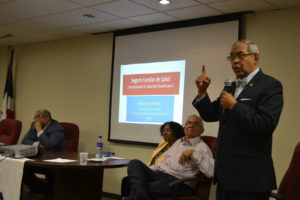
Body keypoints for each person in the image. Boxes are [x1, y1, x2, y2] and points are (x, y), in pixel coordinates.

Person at [193, 40, 284, 200]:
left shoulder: (270, 85)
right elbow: (211, 114)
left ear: (256, 57)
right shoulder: (231, 86)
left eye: (240, 55)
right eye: (232, 57)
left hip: (250, 179)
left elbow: (266, 124)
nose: (235, 61)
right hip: (225, 177)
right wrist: (202, 93)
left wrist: (235, 107)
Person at [122, 115, 214, 200]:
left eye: (195, 124)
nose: (190, 125)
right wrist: (146, 170)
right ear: (184, 128)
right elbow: (164, 163)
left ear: (201, 130)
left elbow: (211, 173)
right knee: (134, 163)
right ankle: (139, 196)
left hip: (179, 183)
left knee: (138, 186)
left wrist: (194, 154)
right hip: (160, 175)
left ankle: (137, 195)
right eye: (188, 123)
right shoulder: (178, 142)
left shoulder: (203, 148)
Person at [22, 109, 65, 196]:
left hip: (55, 160)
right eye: (35, 117)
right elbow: (24, 141)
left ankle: (49, 191)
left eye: (38, 117)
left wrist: (39, 130)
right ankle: (42, 189)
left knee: (50, 172)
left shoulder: (57, 128)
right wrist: (38, 144)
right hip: (40, 157)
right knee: (23, 167)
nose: (36, 120)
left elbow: (49, 144)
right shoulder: (34, 125)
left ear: (47, 118)